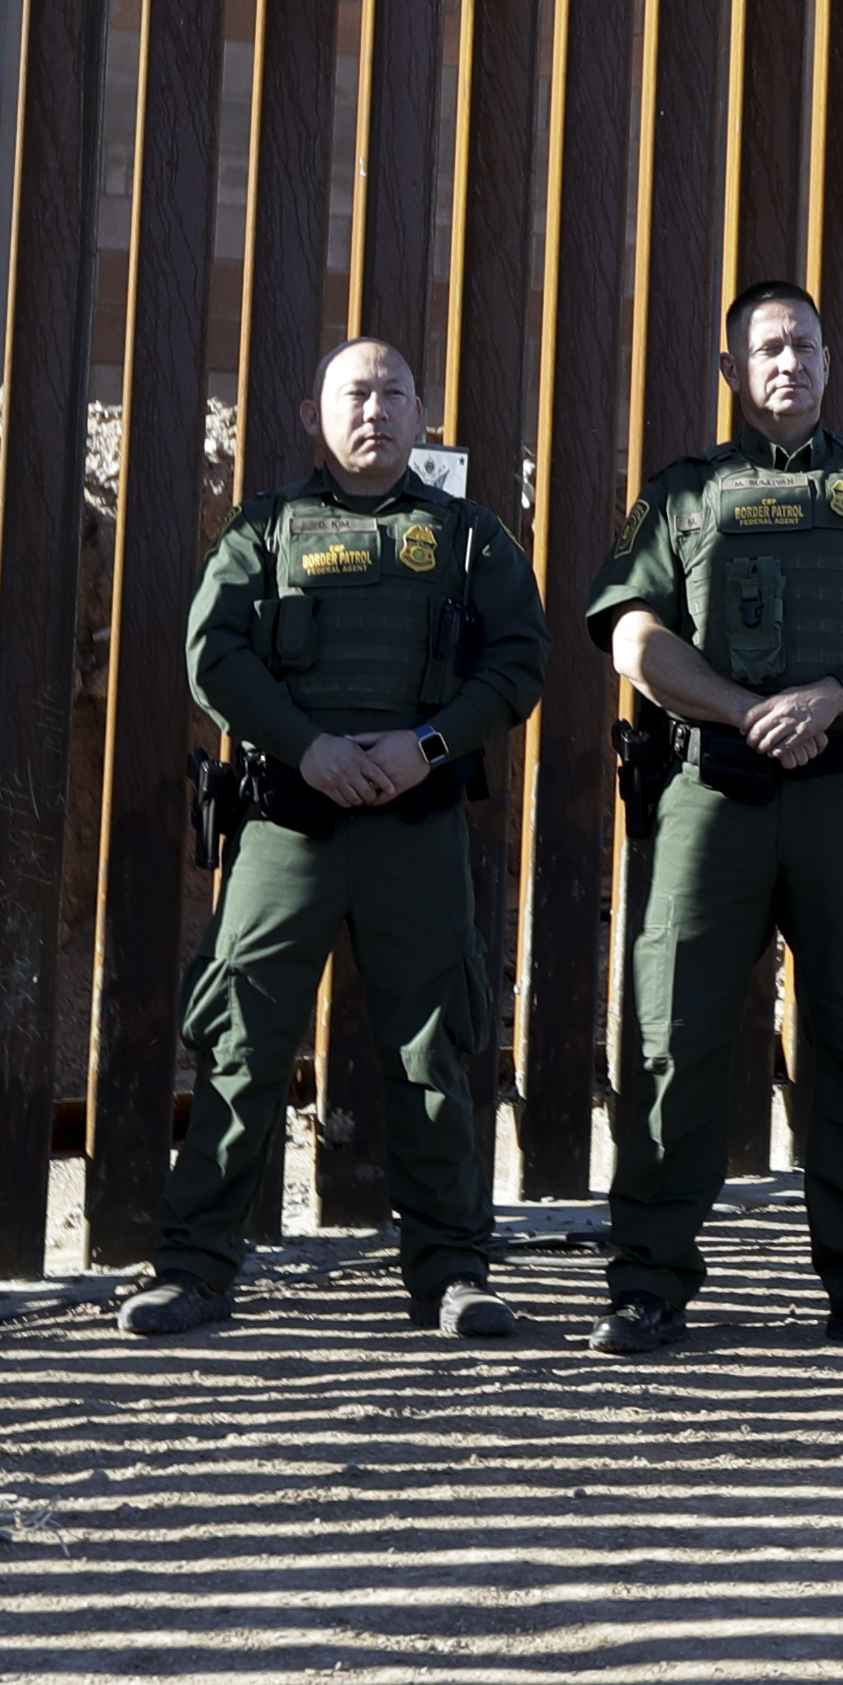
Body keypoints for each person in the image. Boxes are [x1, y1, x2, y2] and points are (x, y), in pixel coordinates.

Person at [122, 338, 556, 1341]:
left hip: (416, 823)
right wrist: (306, 746)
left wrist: (428, 745)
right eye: (353, 394)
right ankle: (193, 1271)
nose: (374, 410)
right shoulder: (265, 529)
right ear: (312, 417)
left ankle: (451, 1273)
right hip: (287, 821)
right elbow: (212, 653)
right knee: (241, 1042)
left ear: (420, 414)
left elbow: (519, 665)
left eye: (393, 393)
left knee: (434, 1050)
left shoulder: (469, 538)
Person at [582, 281, 843, 1358]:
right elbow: (632, 638)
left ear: (825, 356)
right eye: (764, 347)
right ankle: (648, 1284)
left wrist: (835, 695)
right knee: (676, 1040)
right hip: (711, 794)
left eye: (803, 341)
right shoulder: (678, 495)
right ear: (730, 371)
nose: (787, 361)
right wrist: (745, 709)